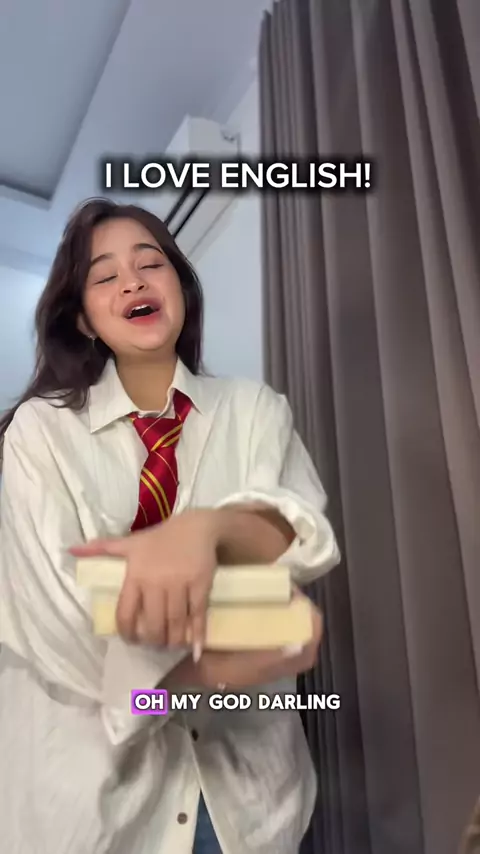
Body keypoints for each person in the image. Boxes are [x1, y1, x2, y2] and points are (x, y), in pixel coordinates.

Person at [0, 198, 340, 854]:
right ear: (83, 318)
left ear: (180, 287)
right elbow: (59, 626)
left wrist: (208, 530)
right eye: (105, 276)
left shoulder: (253, 410)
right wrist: (212, 668)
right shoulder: (41, 433)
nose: (132, 281)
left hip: (247, 807)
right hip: (95, 811)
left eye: (150, 264)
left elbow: (295, 537)